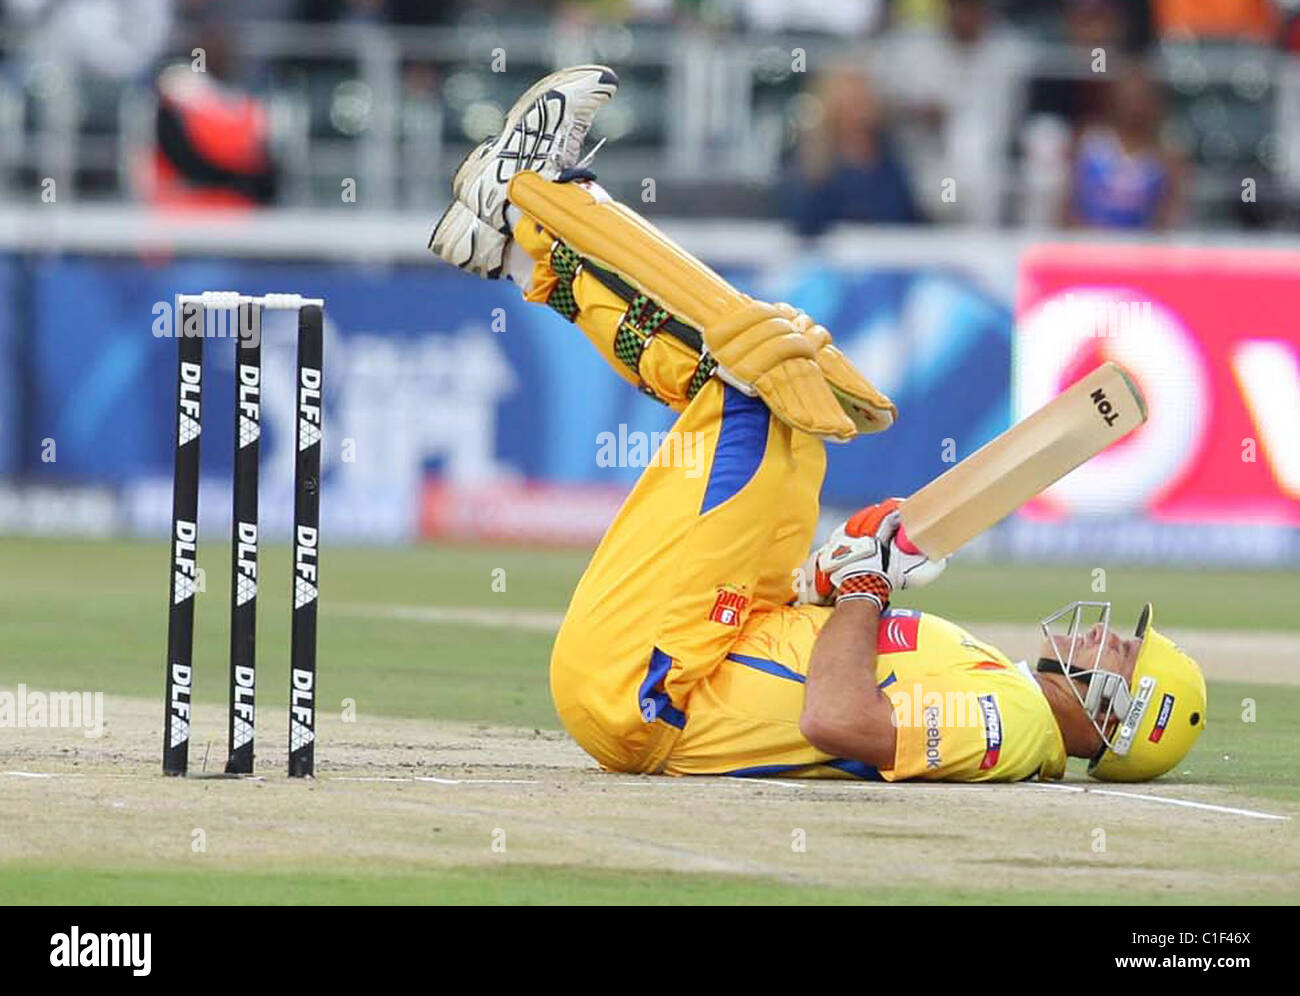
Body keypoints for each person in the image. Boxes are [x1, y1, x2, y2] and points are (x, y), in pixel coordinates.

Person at [428, 66, 1208, 783]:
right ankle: (524, 255)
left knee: (769, 373)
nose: (1108, 637)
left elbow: (838, 720)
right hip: (707, 647)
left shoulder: (1020, 726)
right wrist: (831, 583)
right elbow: (808, 670)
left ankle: (538, 200)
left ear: (1122, 714)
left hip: (653, 688)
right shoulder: (1001, 686)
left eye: (1125, 652)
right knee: (792, 395)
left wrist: (869, 585)